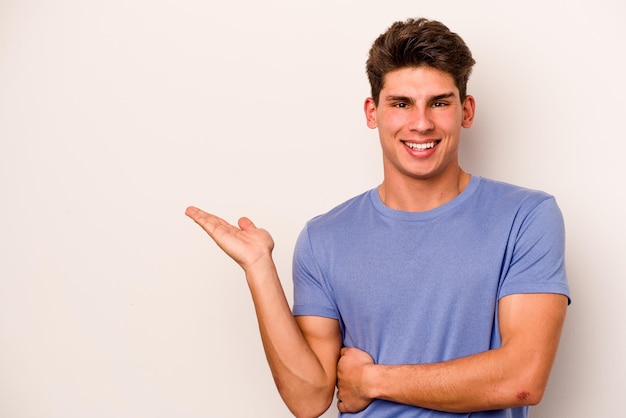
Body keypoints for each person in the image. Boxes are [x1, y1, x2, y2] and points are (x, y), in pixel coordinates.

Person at [186, 17, 570, 418]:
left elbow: (522, 378)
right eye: (401, 104)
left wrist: (372, 380)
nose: (421, 123)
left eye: (439, 102)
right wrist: (259, 268)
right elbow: (308, 398)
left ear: (466, 111)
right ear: (373, 112)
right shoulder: (324, 238)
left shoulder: (525, 218)